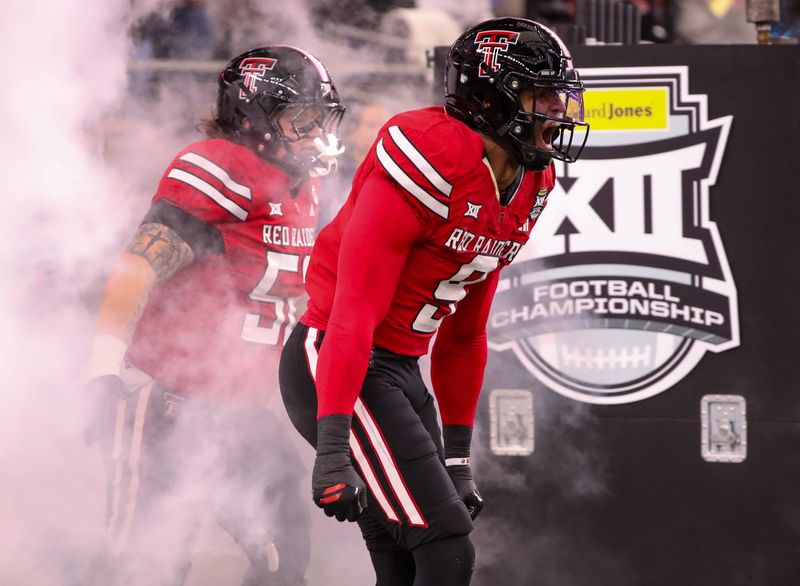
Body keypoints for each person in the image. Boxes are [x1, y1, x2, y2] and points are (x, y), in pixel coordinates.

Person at [279, 16, 588, 586]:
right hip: (336, 356)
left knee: (404, 564)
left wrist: (458, 456)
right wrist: (331, 447)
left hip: (396, 369)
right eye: (542, 96)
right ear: (492, 97)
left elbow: (466, 335)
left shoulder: (530, 182)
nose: (559, 113)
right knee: (449, 550)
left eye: (558, 98)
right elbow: (352, 313)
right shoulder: (430, 151)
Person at [84, 45, 345, 585]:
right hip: (166, 397)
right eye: (301, 118)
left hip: (238, 408)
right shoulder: (220, 164)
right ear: (252, 116)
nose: (315, 131)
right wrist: (102, 364)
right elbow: (139, 263)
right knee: (149, 562)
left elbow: (278, 294)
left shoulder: (306, 186)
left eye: (319, 118)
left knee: (284, 555)